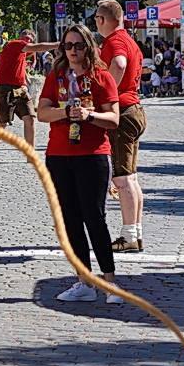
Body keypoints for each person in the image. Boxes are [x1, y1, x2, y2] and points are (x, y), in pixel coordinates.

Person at [36, 23, 122, 303]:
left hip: (93, 154)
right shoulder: (56, 76)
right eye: (68, 45)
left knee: (94, 217)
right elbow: (42, 113)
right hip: (60, 155)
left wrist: (88, 115)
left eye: (78, 45)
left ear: (88, 47)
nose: (72, 51)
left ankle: (110, 283)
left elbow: (114, 119)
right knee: (70, 219)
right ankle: (83, 281)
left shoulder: (101, 76)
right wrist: (65, 112)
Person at [93, 0, 146, 253]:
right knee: (131, 178)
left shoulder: (114, 41)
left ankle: (128, 237)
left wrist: (106, 95)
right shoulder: (130, 39)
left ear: (101, 20)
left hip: (122, 112)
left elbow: (120, 65)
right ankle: (135, 232)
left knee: (122, 178)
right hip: (133, 108)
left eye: (96, 19)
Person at [0, 30, 56, 151]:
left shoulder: (20, 53)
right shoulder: (15, 44)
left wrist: (25, 78)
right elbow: (39, 47)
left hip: (21, 89)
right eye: (27, 36)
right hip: (5, 88)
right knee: (1, 123)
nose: (29, 39)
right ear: (21, 37)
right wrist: (58, 44)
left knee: (30, 118)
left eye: (32, 38)